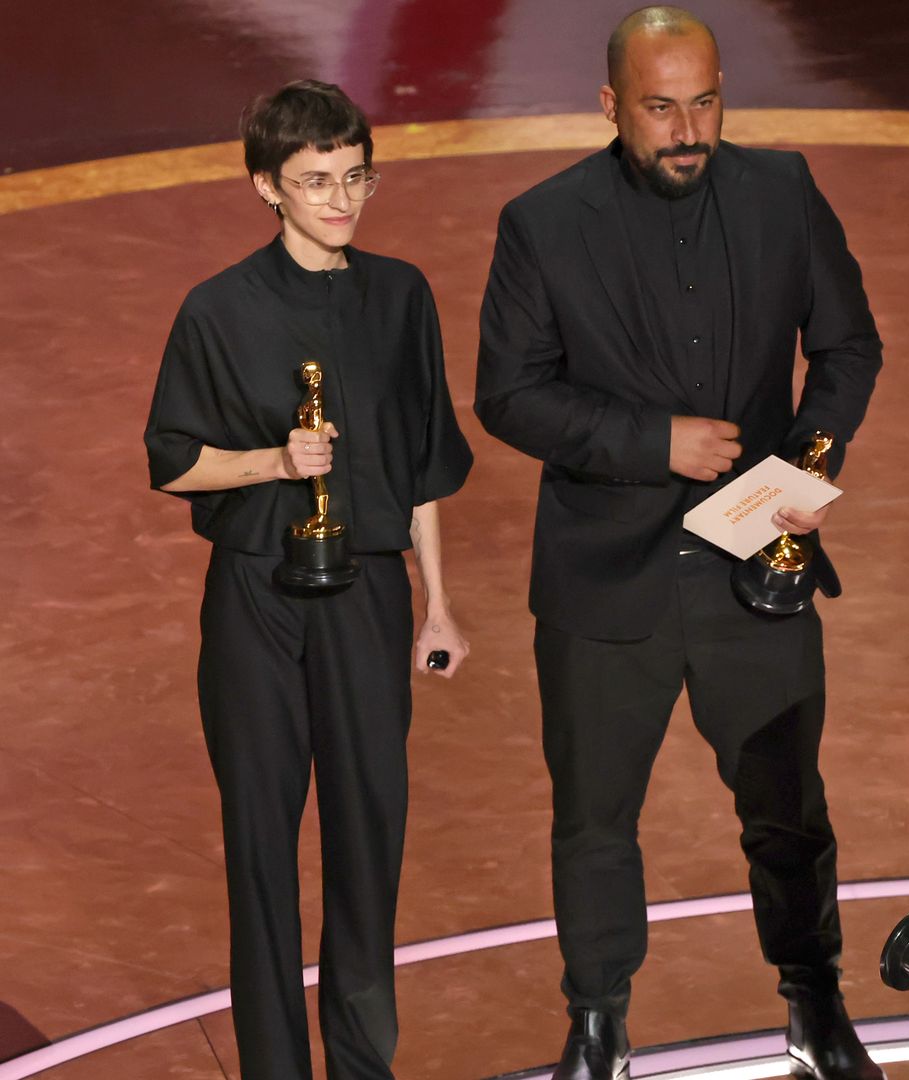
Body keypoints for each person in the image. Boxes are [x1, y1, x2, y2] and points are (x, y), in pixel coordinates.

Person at [472, 7, 884, 1079]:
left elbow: (847, 350)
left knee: (789, 813)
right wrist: (654, 443)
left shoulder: (783, 192)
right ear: (610, 106)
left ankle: (814, 1001)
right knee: (596, 822)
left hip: (759, 570)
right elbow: (507, 395)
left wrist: (804, 473)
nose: (688, 128)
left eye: (704, 101)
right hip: (607, 584)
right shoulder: (542, 223)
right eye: (661, 108)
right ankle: (598, 1024)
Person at [142, 80, 473, 1078]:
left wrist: (438, 602)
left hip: (367, 596)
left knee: (370, 835)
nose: (342, 200)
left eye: (354, 177)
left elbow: (419, 466)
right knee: (261, 848)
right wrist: (274, 464)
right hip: (255, 601)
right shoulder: (219, 310)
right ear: (265, 188)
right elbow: (173, 459)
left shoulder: (401, 296)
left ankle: (363, 1067)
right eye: (316, 181)